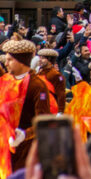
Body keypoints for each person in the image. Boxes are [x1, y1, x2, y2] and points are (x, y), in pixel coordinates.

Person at [0, 39, 53, 173]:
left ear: (21, 61)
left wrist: (24, 134)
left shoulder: (37, 86)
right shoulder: (7, 80)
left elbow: (44, 121)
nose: (6, 63)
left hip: (25, 151)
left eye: (10, 60)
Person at [35, 47, 67, 113]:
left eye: (43, 58)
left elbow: (61, 94)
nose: (40, 60)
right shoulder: (38, 73)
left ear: (50, 60)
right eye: (40, 58)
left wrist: (60, 111)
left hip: (51, 109)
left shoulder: (55, 75)